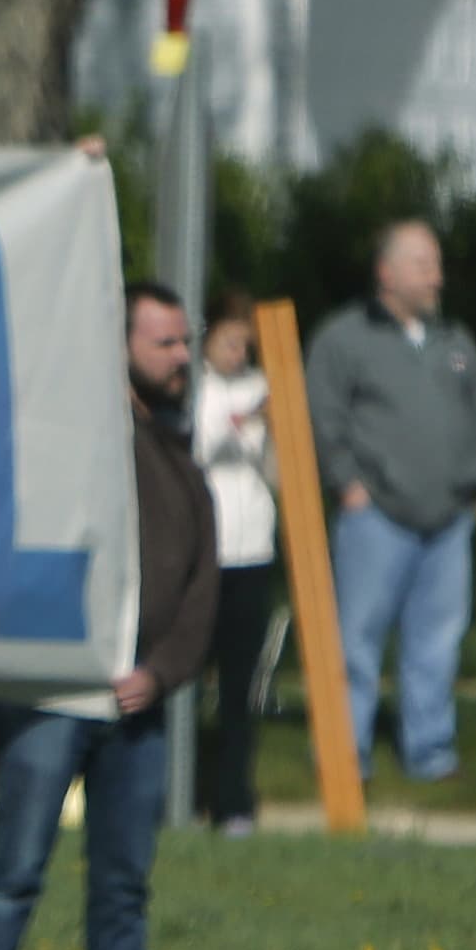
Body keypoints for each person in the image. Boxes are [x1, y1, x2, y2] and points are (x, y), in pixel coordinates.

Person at [0, 282, 218, 950]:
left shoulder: (178, 462)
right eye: (165, 342)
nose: (182, 358)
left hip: (137, 711)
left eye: (183, 342)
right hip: (53, 697)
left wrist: (160, 672)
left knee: (123, 885)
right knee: (17, 866)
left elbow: (202, 589)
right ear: (120, 347)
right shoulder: (71, 439)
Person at [306, 223, 476, 786]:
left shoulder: (454, 339)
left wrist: (472, 480)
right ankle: (346, 756)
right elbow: (323, 416)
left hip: (447, 520)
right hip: (375, 517)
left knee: (437, 642)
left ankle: (431, 752)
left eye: (436, 264)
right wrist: (348, 484)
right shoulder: (344, 338)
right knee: (356, 643)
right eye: (422, 264)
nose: (436, 276)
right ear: (386, 273)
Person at [190, 295, 279, 831]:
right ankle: (181, 788)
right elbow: (200, 443)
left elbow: (280, 466)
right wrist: (246, 418)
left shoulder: (263, 386)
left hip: (253, 551)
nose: (237, 351)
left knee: (241, 684)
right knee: (189, 677)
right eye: (228, 340)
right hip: (206, 551)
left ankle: (234, 799)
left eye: (245, 342)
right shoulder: (196, 390)